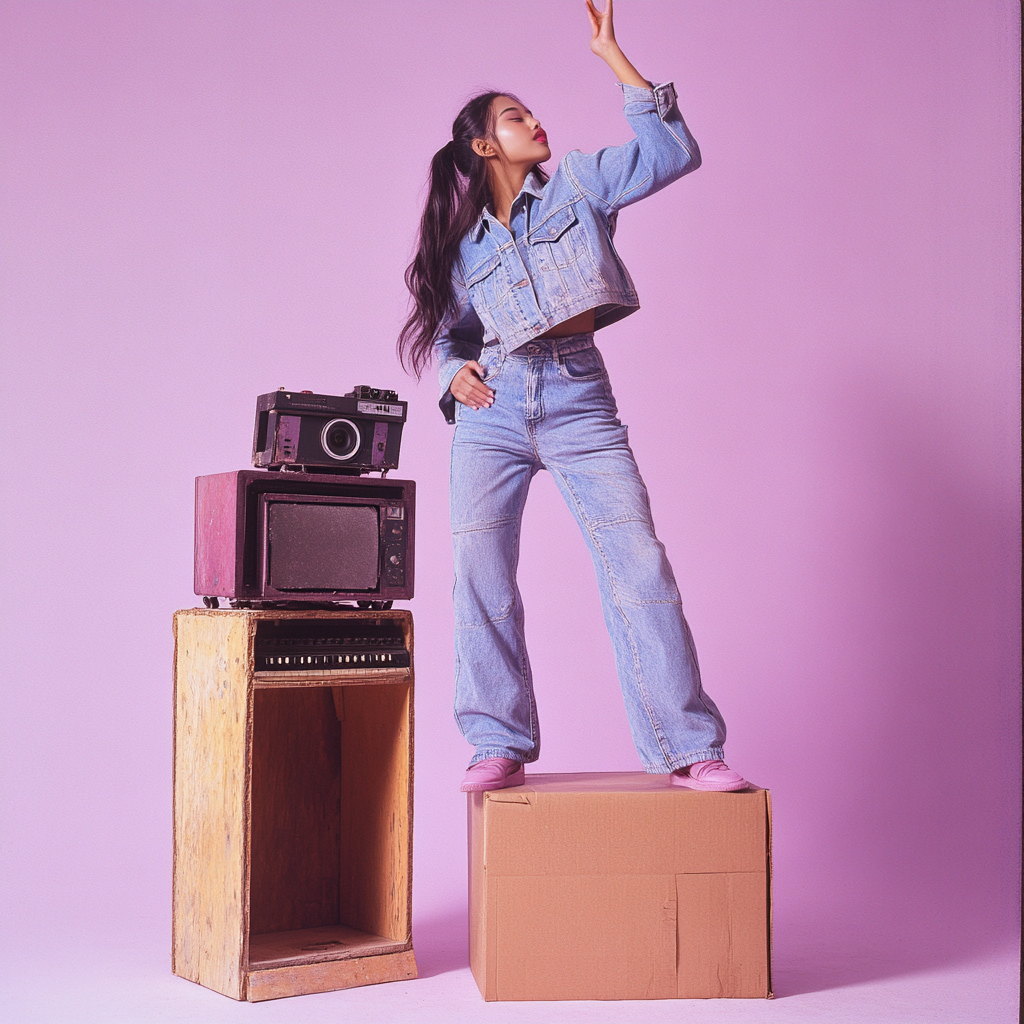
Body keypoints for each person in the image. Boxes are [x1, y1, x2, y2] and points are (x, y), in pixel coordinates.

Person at [399, 0, 749, 794]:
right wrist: (449, 375)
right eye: (517, 118)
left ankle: (690, 745)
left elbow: (672, 152)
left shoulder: (581, 184)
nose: (536, 122)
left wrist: (612, 55)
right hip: (492, 414)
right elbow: (450, 337)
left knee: (639, 566)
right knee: (479, 572)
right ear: (487, 145)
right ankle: (498, 741)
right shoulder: (461, 250)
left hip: (577, 397)